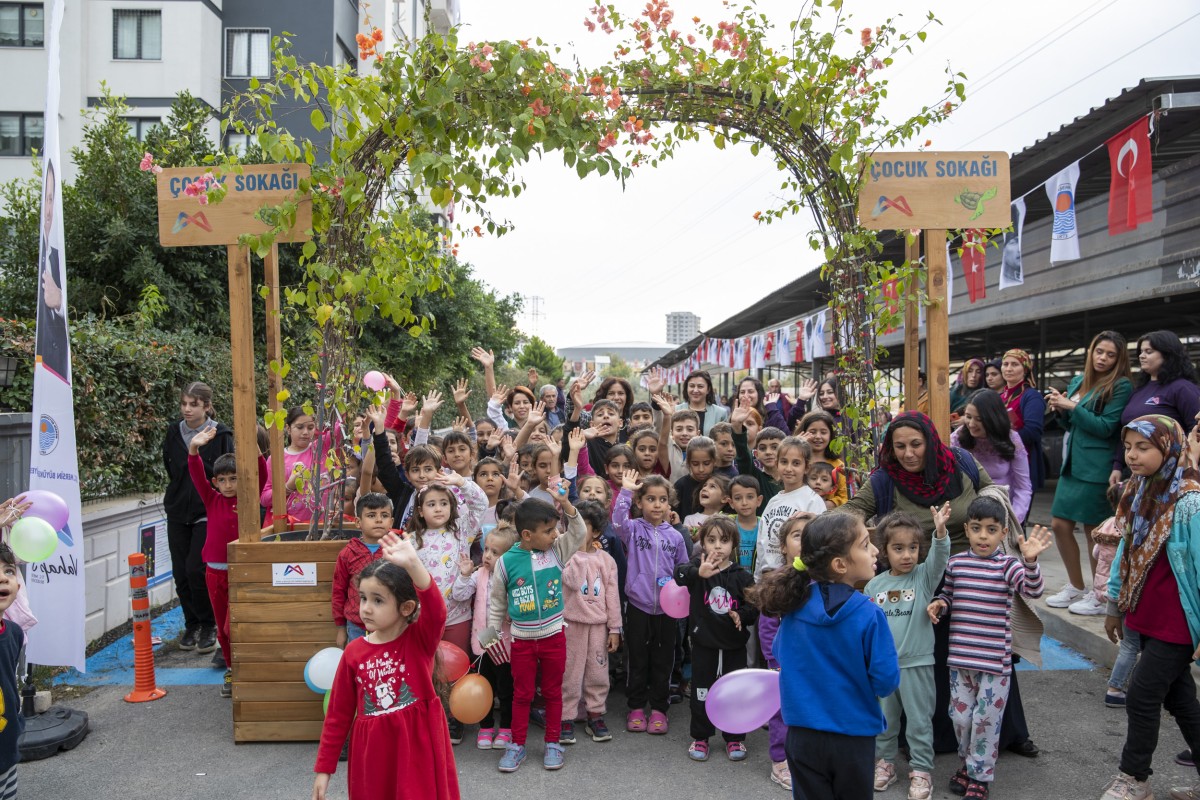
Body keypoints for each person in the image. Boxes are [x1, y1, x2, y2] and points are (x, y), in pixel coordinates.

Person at [749, 513, 899, 799]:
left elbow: (780, 653)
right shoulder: (869, 614)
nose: (876, 551)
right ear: (840, 564)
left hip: (802, 735)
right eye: (866, 545)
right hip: (853, 736)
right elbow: (885, 680)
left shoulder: (794, 608)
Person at [312, 533, 459, 800]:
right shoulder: (354, 653)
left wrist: (413, 563)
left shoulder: (418, 641)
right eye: (363, 598)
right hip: (373, 756)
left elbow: (437, 611)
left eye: (378, 600)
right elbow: (338, 715)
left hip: (417, 751)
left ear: (406, 608)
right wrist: (324, 769)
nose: (366, 608)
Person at [1099, 416, 1200, 800]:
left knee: (1141, 694)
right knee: (1181, 699)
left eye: (1143, 447)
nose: (1132, 455)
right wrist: (1114, 604)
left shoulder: (1191, 502)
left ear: (1169, 446)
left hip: (1177, 621)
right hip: (1144, 613)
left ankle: (1134, 778)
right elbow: (1125, 552)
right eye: (1128, 447)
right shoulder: (1139, 491)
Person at [929, 497, 1049, 800]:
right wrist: (940, 604)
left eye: (991, 529)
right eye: (977, 528)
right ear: (967, 530)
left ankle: (980, 776)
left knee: (986, 720)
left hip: (995, 665)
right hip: (960, 661)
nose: (983, 536)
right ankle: (967, 766)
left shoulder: (1008, 565)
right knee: (960, 718)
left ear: (1003, 532)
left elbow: (1031, 589)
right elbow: (949, 595)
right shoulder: (956, 563)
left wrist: (1030, 561)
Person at [487, 490, 586, 772]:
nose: (555, 535)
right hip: (522, 643)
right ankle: (516, 745)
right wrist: (489, 640)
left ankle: (553, 743)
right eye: (549, 531)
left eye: (555, 529)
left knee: (553, 692)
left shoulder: (556, 551)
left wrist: (566, 503)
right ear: (527, 535)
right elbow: (495, 603)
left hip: (555, 637)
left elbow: (578, 532)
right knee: (522, 695)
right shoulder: (506, 563)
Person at [1044, 331, 1134, 613]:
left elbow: (1107, 427)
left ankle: (1099, 594)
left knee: (1094, 532)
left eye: (1110, 355)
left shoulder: (1121, 386)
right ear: (1091, 352)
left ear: (1119, 360)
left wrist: (1072, 405)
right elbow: (1073, 424)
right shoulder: (1078, 381)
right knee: (1059, 524)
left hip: (1098, 466)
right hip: (1072, 464)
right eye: (1099, 352)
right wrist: (1060, 407)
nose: (1103, 358)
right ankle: (1075, 586)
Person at [867, 507, 951, 800]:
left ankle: (921, 770)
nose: (906, 555)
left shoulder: (923, 578)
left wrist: (940, 533)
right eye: (898, 548)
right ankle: (885, 764)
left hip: (918, 665)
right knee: (885, 722)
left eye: (913, 548)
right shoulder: (873, 585)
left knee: (918, 722)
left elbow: (939, 559)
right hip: (884, 669)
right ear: (884, 551)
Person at [187, 427, 267, 696]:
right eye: (223, 480)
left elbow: (262, 472)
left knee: (235, 625)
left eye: (234, 478)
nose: (230, 484)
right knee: (222, 626)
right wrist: (194, 449)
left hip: (243, 572)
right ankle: (233, 670)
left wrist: (252, 444)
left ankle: (248, 668)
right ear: (215, 482)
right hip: (215, 573)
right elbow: (196, 474)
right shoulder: (211, 500)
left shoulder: (248, 499)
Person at [674, 517, 757, 763]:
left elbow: (754, 609)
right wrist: (697, 572)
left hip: (734, 647)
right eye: (711, 540)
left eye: (724, 540)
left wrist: (741, 615)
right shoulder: (696, 570)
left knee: (734, 694)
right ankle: (701, 736)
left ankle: (734, 737)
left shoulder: (743, 576)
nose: (717, 546)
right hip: (704, 646)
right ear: (702, 544)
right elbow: (678, 574)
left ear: (734, 544)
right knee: (702, 693)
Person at [612, 471, 689, 735]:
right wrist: (625, 491)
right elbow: (618, 522)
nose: (657, 504)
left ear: (670, 503)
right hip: (638, 605)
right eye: (651, 499)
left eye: (663, 499)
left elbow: (683, 570)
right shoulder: (633, 529)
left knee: (664, 659)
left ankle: (658, 709)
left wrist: (678, 591)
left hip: (667, 609)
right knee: (637, 657)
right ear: (640, 503)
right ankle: (635, 707)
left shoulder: (676, 537)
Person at [163, 382, 233, 656]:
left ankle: (208, 624)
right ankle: (191, 625)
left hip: (208, 510)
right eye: (184, 404)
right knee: (180, 572)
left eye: (194, 404)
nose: (187, 409)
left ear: (206, 406)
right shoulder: (173, 432)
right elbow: (170, 466)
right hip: (178, 509)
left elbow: (226, 467)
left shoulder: (220, 433)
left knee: (196, 569)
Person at [755, 513, 815, 791]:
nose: (804, 541)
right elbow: (767, 625)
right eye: (796, 535)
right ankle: (779, 760)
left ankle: (805, 757)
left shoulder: (821, 582)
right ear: (783, 546)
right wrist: (773, 660)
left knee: (809, 710)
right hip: (783, 662)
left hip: (813, 662)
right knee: (781, 712)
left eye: (810, 535)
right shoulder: (777, 581)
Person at [559, 500, 622, 746]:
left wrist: (615, 629)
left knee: (597, 672)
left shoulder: (607, 561)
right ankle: (566, 716)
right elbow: (573, 581)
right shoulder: (564, 557)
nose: (576, 532)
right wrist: (573, 552)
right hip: (570, 624)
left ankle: (595, 714)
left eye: (582, 527)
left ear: (595, 531)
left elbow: (612, 597)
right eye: (571, 527)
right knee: (569, 672)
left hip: (598, 625)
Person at [455, 522, 518, 751]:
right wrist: (464, 575)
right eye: (487, 549)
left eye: (495, 552)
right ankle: (486, 726)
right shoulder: (479, 574)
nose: (488, 556)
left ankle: (507, 728)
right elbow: (459, 594)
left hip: (505, 644)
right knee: (484, 685)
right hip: (483, 642)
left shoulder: (513, 577)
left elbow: (516, 612)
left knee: (506, 688)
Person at [1110, 330, 1200, 487]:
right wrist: (1117, 465)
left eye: (1148, 351)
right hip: (1137, 474)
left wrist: (1186, 465)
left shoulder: (1182, 388)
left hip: (1171, 475)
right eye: (1141, 351)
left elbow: (1196, 430)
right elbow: (1126, 432)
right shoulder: (1138, 391)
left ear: (1167, 354)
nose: (1141, 356)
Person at [951, 389, 1032, 521]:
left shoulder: (1012, 439)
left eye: (979, 419)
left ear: (993, 418)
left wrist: (1013, 519)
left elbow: (1023, 487)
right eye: (968, 417)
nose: (971, 424)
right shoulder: (957, 439)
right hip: (966, 515)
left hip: (1004, 512)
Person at [754, 436, 826, 581]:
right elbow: (762, 542)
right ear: (777, 463)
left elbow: (821, 541)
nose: (789, 468)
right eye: (784, 462)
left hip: (798, 578)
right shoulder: (773, 502)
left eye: (796, 463)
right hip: (769, 577)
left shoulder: (812, 500)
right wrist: (757, 578)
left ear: (807, 467)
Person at [332, 494, 393, 648]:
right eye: (371, 515)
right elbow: (338, 591)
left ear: (391, 522)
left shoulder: (396, 550)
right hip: (357, 626)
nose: (379, 520)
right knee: (359, 667)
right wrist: (340, 628)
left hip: (390, 624)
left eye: (384, 515)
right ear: (358, 522)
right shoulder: (348, 553)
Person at [34, 159, 69, 381]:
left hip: (57, 373)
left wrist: (59, 304)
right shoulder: (36, 255)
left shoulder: (58, 259)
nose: (48, 209)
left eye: (51, 199)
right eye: (45, 200)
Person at [998, 348, 1046, 491]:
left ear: (1025, 370)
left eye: (1015, 364)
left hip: (1023, 463)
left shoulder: (1031, 396)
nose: (1009, 368)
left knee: (1017, 512)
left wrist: (998, 437)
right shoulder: (1000, 397)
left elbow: (1032, 432)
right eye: (1005, 364)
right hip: (1000, 462)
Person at [260, 406, 320, 523]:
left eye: (310, 427)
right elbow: (264, 499)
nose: (305, 432)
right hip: (287, 527)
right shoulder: (276, 459)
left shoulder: (319, 450)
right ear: (288, 428)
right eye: (299, 427)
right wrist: (288, 487)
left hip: (318, 525)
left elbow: (338, 428)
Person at [0, 543, 25, 798]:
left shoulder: (14, 632)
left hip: (6, 746)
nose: (2, 578)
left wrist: (17, 723)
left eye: (9, 571)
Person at [796, 409, 849, 506]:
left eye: (823, 432)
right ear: (802, 433)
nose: (818, 436)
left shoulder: (838, 466)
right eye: (812, 432)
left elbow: (845, 496)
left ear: (831, 435)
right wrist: (796, 446)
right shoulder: (797, 461)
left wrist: (822, 505)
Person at [675, 370, 729, 436]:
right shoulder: (676, 410)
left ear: (708, 389)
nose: (695, 390)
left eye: (700, 386)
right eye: (692, 386)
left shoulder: (720, 413)